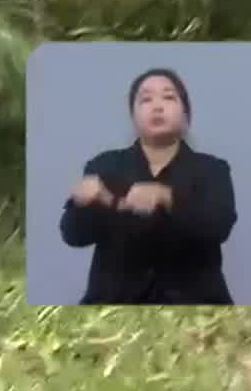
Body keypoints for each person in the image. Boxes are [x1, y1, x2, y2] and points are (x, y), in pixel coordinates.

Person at [59, 67, 237, 304]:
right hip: (114, 306)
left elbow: (219, 227)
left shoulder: (212, 169)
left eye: (169, 97)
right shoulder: (104, 165)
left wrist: (168, 198)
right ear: (133, 116)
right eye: (145, 99)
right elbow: (74, 236)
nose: (157, 106)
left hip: (196, 305)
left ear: (186, 115)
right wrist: (84, 204)